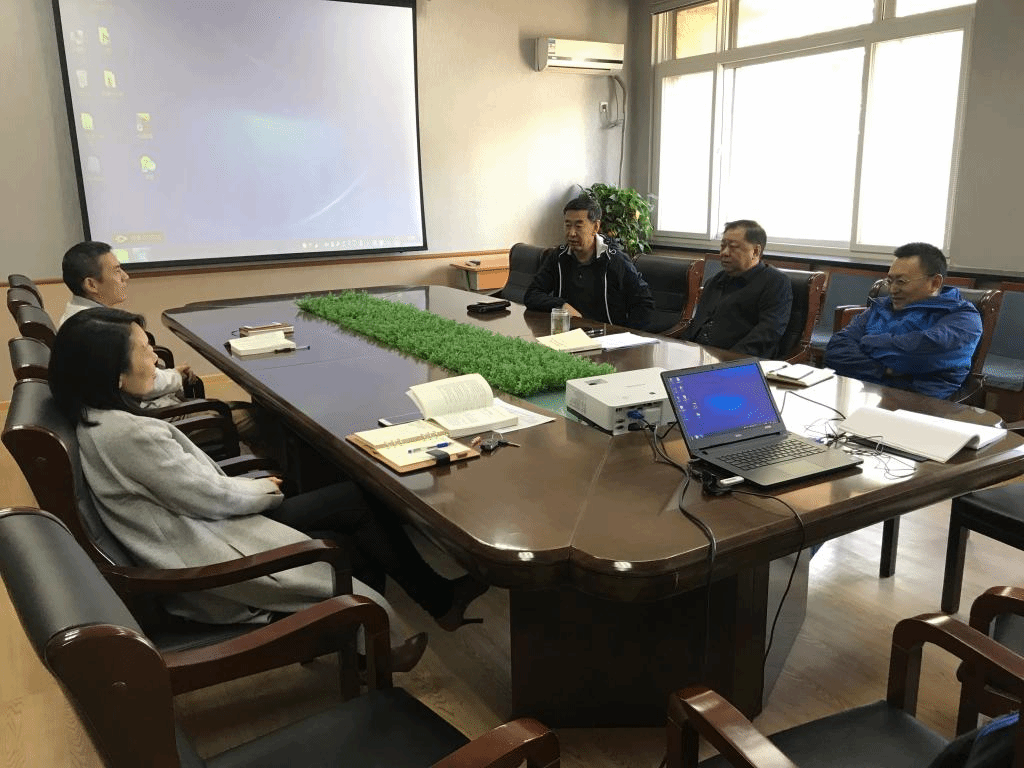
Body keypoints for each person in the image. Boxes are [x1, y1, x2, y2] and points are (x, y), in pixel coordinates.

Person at [48, 308, 490, 671]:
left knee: (352, 504)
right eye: (144, 351)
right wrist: (261, 490)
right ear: (115, 375)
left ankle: (390, 626)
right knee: (353, 509)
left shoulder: (101, 420)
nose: (155, 360)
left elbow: (192, 490)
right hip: (211, 556)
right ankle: (381, 633)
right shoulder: (128, 435)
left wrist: (252, 487)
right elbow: (208, 498)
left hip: (204, 531)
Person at [824, 242, 982, 399]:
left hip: (920, 403)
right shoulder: (881, 307)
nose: (892, 289)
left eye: (901, 281)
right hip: (864, 394)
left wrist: (866, 341)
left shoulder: (963, 317)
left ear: (935, 283)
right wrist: (885, 370)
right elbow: (835, 350)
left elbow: (919, 354)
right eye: (890, 281)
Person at [59, 241, 193, 408]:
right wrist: (176, 376)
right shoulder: (96, 329)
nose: (125, 276)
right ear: (91, 284)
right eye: (117, 271)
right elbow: (141, 383)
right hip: (138, 410)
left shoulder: (77, 317)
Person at [524, 194, 655, 329]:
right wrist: (561, 305)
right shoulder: (558, 257)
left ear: (595, 227)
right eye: (567, 225)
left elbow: (644, 302)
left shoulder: (615, 260)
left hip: (605, 336)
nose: (571, 233)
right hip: (568, 334)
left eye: (578, 226)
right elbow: (532, 294)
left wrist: (626, 334)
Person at [677, 219, 793, 357]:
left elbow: (768, 333)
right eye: (722, 246)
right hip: (701, 355)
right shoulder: (715, 281)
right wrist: (683, 350)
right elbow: (698, 324)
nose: (724, 253)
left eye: (733, 247)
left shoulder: (775, 282)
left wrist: (728, 358)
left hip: (740, 361)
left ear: (755, 251)